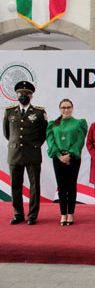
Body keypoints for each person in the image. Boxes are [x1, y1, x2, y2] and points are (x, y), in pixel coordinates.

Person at [3, 81, 47, 225]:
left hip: (32, 153)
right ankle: (18, 214)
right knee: (15, 185)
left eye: (26, 94)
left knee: (34, 186)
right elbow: (7, 133)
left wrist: (33, 145)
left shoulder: (39, 112)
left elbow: (43, 134)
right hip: (15, 153)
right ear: (16, 95)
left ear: (31, 96)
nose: (23, 96)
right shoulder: (9, 112)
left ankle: (32, 215)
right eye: (20, 94)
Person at [46, 99, 88, 226]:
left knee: (71, 186)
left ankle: (71, 214)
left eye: (68, 107)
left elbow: (80, 141)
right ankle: (63, 214)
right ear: (59, 109)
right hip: (58, 158)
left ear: (72, 108)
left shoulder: (79, 123)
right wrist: (59, 155)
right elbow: (50, 141)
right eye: (63, 107)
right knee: (62, 187)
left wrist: (69, 154)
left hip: (73, 158)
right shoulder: (53, 124)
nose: (66, 110)